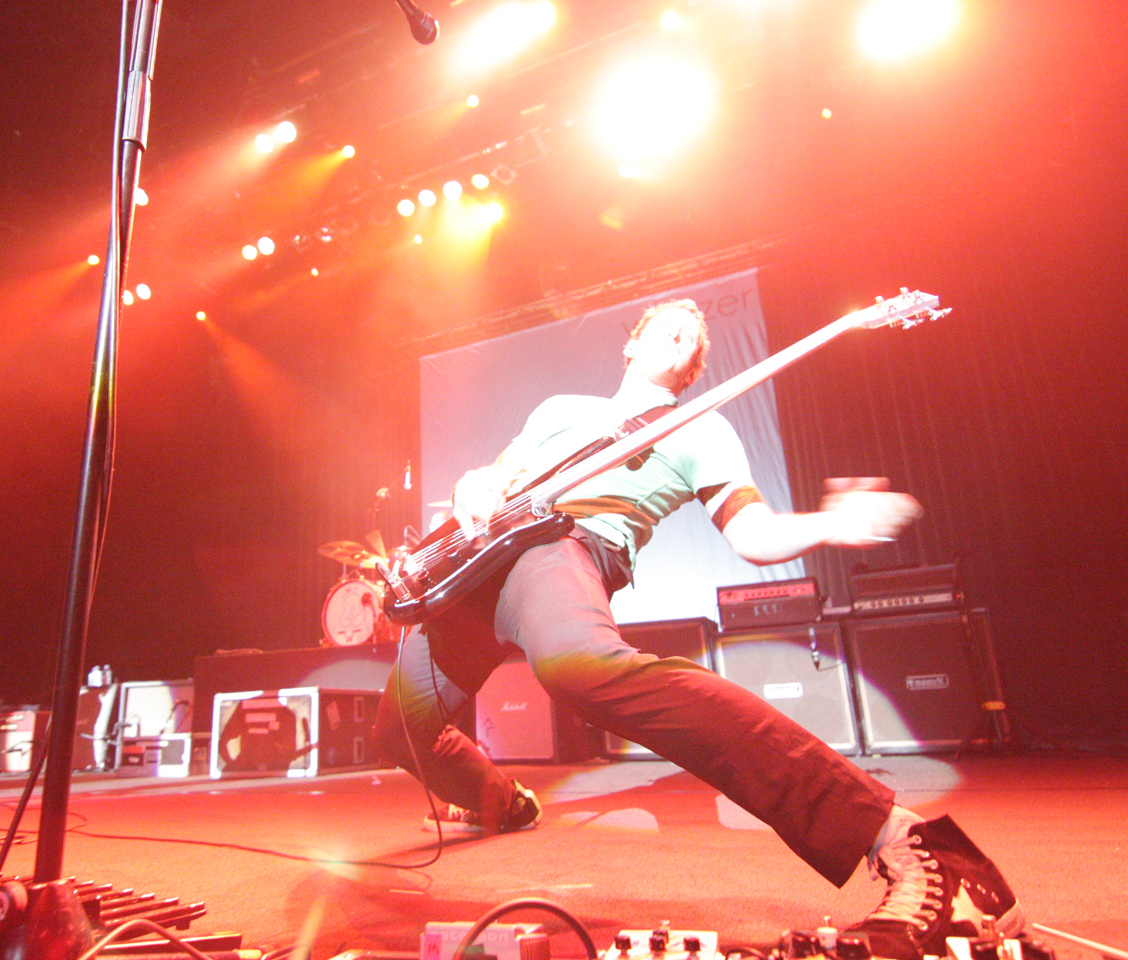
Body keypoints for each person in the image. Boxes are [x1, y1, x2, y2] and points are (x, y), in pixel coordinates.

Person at [371, 300, 1022, 960]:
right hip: (475, 564)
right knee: (399, 729)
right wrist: (474, 486)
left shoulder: (701, 429)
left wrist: (828, 523)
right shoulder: (559, 410)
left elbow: (754, 535)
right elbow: (496, 475)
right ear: (632, 346)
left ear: (692, 371)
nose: (683, 329)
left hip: (563, 549)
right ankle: (503, 803)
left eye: (694, 336)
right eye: (667, 324)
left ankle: (903, 839)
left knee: (578, 669)